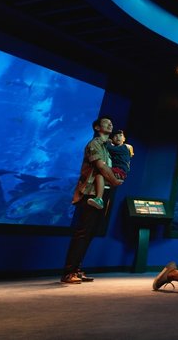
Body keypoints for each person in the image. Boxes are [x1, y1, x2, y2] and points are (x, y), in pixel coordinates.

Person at [60, 116, 123, 284]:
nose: (111, 124)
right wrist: (115, 181)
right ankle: (69, 271)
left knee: (90, 232)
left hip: (103, 194)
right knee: (83, 232)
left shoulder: (108, 147)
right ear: (96, 127)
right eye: (106, 122)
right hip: (90, 194)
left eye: (112, 122)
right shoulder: (94, 144)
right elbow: (101, 167)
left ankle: (77, 269)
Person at [89, 129, 132, 210]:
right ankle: (99, 198)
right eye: (115, 136)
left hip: (120, 171)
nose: (118, 137)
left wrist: (108, 142)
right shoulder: (116, 147)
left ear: (124, 139)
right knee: (99, 175)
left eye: (120, 135)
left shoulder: (124, 147)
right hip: (115, 170)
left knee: (101, 170)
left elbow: (110, 148)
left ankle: (100, 197)